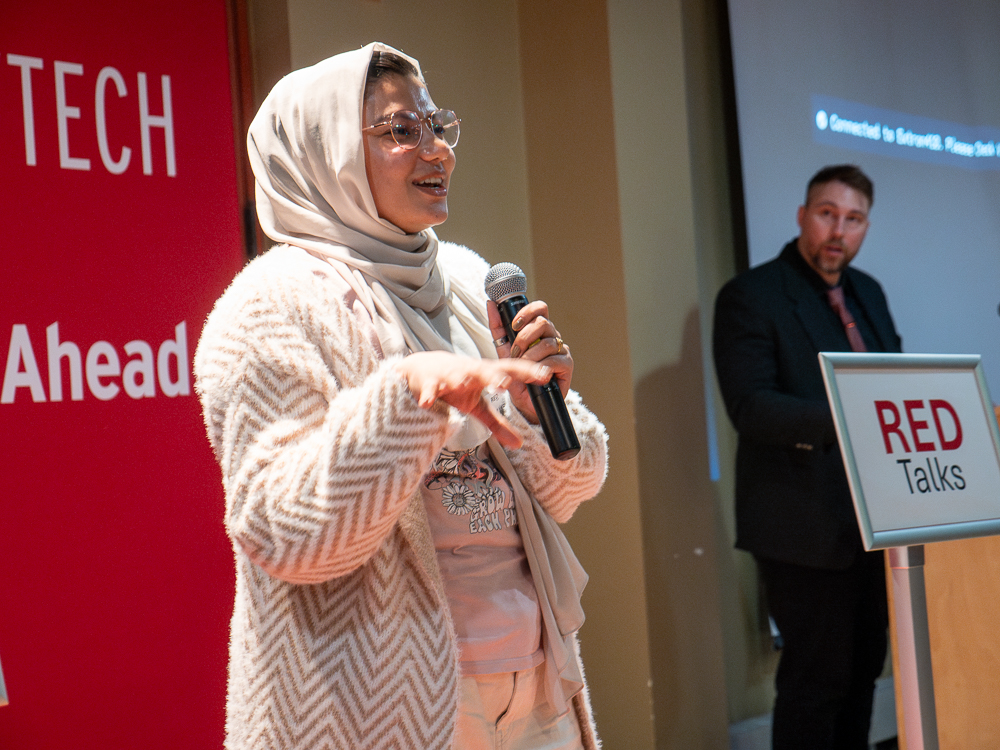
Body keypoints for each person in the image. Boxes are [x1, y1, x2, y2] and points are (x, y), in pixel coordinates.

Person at [193, 42, 607, 750]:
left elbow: (571, 490)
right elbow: (282, 532)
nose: (438, 151)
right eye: (400, 130)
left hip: (538, 680)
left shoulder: (465, 278)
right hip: (380, 706)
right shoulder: (265, 308)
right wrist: (407, 399)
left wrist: (542, 410)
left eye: (437, 125)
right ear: (326, 153)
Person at [712, 165, 902, 749]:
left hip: (875, 519)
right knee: (816, 684)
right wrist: (852, 416)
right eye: (827, 214)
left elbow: (893, 383)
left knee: (864, 673)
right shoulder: (751, 296)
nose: (838, 231)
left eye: (854, 219)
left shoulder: (868, 291)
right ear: (802, 216)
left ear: (866, 226)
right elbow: (752, 408)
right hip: (802, 524)